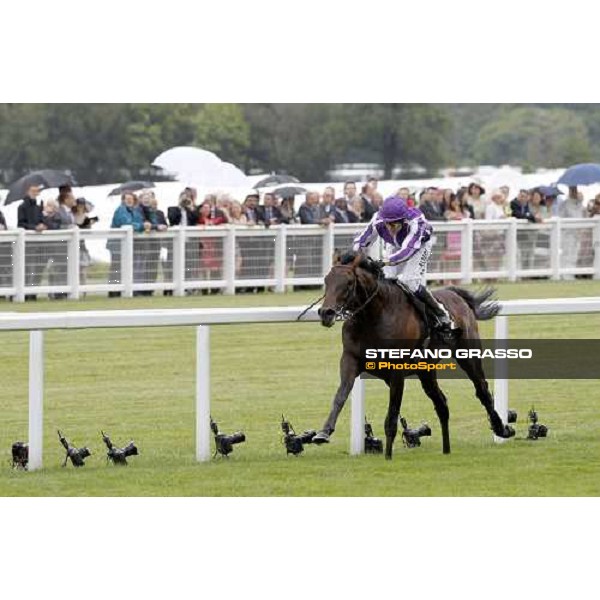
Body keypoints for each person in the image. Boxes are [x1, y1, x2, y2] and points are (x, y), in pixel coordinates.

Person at [352, 195, 458, 335]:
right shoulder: (377, 219)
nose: (390, 228)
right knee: (385, 282)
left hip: (419, 246)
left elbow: (407, 251)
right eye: (387, 224)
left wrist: (384, 261)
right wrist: (353, 257)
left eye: (394, 224)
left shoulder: (416, 222)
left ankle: (442, 315)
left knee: (410, 282)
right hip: (395, 245)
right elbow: (362, 240)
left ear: (403, 220)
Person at [17, 184, 46, 300]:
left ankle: (33, 292)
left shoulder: (38, 207)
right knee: (28, 269)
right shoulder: (22, 207)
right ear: (28, 192)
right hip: (27, 243)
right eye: (33, 191)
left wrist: (43, 225)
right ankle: (26, 293)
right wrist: (34, 227)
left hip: (38, 243)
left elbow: (41, 220)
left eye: (37, 191)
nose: (35, 193)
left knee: (38, 269)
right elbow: (20, 224)